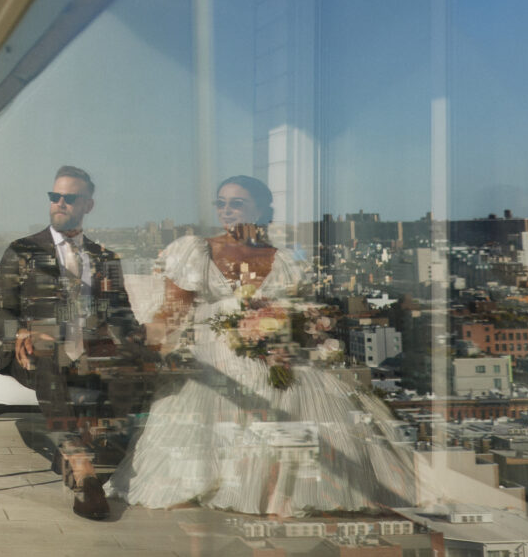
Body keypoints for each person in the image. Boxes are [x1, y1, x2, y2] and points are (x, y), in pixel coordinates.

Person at [110, 175, 413, 515]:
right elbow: (173, 312)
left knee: (305, 393)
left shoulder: (284, 261)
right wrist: (144, 341)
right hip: (214, 354)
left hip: (275, 354)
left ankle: (282, 489)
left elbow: (300, 314)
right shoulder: (196, 250)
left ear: (261, 209)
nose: (227, 210)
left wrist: (292, 329)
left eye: (237, 203)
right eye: (221, 203)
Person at [0, 165, 143, 520]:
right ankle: (80, 464)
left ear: (88, 205)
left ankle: (94, 461)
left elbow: (124, 318)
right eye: (54, 196)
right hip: (31, 356)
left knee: (136, 367)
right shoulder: (22, 251)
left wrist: (133, 340)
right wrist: (19, 332)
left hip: (89, 358)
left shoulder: (105, 259)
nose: (60, 203)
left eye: (70, 198)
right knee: (48, 348)